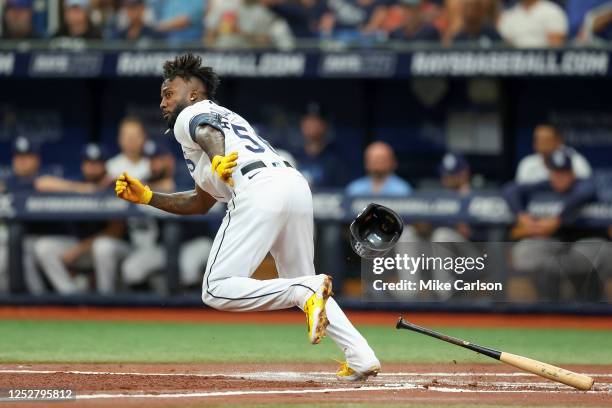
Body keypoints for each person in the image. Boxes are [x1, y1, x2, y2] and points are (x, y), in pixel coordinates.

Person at [115, 53, 380, 380]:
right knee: (304, 283)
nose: (163, 102)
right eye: (161, 96)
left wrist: (217, 156)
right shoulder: (224, 121)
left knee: (214, 288)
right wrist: (149, 197)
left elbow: (206, 131)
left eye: (169, 94)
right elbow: (200, 203)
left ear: (193, 93)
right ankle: (361, 356)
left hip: (259, 191)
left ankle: (305, 291)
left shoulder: (193, 114)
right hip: (293, 186)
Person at [505, 148, 600, 300]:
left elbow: (586, 192)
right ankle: (549, 309)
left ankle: (590, 307)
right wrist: (522, 216)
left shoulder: (583, 185)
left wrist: (559, 218)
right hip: (554, 242)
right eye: (555, 173)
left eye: (563, 174)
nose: (559, 178)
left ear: (572, 174)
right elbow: (510, 190)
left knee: (585, 255)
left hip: (584, 240)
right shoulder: (546, 185)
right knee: (528, 253)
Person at [33, 144, 125, 294]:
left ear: (105, 165)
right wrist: (82, 189)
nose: (92, 167)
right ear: (82, 164)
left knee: (103, 247)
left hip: (108, 248)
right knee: (43, 247)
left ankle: (105, 298)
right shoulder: (78, 183)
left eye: (97, 163)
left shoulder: (115, 185)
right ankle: (70, 295)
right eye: (88, 162)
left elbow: (116, 230)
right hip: (80, 247)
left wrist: (79, 249)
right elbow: (41, 183)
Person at [0, 137, 46, 294]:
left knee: (25, 247)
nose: (22, 161)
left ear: (36, 159)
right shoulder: (6, 182)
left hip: (40, 236)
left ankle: (40, 300)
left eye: (27, 157)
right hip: (9, 239)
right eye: (19, 157)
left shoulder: (44, 180)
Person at [292, 103, 348, 188]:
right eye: (308, 120)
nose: (312, 125)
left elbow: (341, 192)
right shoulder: (293, 156)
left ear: (325, 125)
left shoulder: (335, 159)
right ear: (302, 125)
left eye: (317, 121)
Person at [515, 124, 591, 185]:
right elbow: (519, 191)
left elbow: (587, 186)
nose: (542, 144)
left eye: (546, 140)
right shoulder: (527, 164)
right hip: (536, 202)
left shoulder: (574, 159)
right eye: (538, 140)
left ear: (558, 141)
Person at [204, 0, 295, 49]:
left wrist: (242, 33)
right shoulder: (225, 6)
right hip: (222, 54)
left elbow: (266, 41)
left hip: (248, 56)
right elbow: (209, 35)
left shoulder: (265, 13)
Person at [345, 141, 412, 197]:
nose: (378, 163)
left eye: (382, 159)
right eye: (374, 159)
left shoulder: (402, 190)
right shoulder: (354, 189)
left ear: (393, 162)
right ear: (366, 163)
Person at [498, 0, 568, 48]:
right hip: (515, 63)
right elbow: (505, 44)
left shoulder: (553, 11)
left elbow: (556, 46)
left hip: (544, 63)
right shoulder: (508, 15)